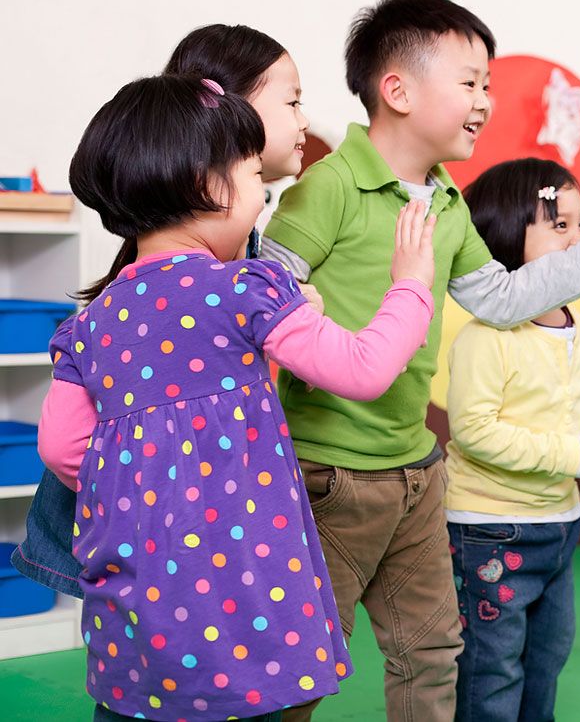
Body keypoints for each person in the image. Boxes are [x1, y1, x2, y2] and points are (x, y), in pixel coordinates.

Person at [260, 0, 580, 722]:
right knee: (305, 659)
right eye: (470, 82)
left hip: (417, 472)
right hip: (328, 472)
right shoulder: (326, 188)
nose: (485, 101)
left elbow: (495, 297)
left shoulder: (447, 202)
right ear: (395, 90)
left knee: (434, 651)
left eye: (487, 84)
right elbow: (265, 295)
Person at [38, 74, 440, 721]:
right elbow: (364, 369)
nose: (264, 196)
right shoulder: (245, 290)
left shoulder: (90, 324)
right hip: (241, 595)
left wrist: (150, 487)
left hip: (138, 603)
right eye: (258, 178)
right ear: (208, 184)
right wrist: (412, 286)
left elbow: (61, 448)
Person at [13, 23, 325, 606]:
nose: (305, 119)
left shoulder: (224, 233)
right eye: (293, 100)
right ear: (233, 112)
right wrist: (144, 488)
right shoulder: (202, 256)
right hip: (145, 523)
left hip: (162, 521)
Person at [442, 157, 580, 722]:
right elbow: (473, 431)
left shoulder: (574, 326)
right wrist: (567, 455)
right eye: (558, 226)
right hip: (490, 529)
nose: (577, 239)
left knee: (548, 656)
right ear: (505, 237)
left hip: (559, 527)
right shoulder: (487, 336)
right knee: (493, 666)